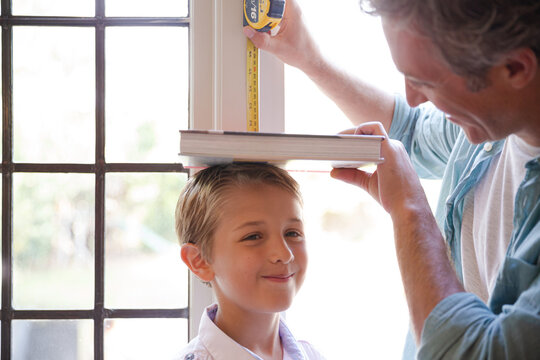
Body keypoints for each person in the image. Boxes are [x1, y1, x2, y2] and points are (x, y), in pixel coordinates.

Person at [244, 0, 540, 358]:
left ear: (515, 67)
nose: (415, 99)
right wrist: (310, 58)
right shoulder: (492, 123)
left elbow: (473, 353)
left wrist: (409, 209)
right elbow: (410, 131)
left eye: (425, 81)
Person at [175, 162, 325, 360]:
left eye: (292, 233)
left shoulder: (312, 355)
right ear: (199, 260)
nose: (284, 253)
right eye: (254, 237)